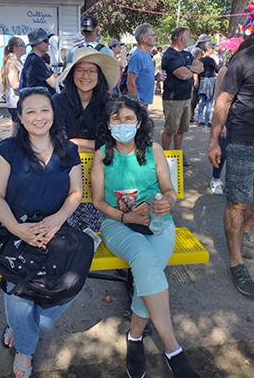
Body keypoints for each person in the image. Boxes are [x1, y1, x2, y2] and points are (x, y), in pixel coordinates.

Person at [91, 96, 201, 378]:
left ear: (139, 122)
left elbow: (168, 188)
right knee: (144, 259)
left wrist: (167, 201)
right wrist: (126, 217)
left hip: (158, 221)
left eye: (129, 118)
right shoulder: (102, 154)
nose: (123, 123)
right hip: (118, 224)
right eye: (116, 118)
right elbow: (98, 201)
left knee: (147, 270)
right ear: (108, 123)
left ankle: (135, 337)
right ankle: (173, 351)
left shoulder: (153, 150)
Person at [0, 87, 83, 378]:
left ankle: (25, 326)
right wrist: (18, 229)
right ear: (20, 116)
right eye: (30, 111)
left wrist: (56, 220)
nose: (39, 117)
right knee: (18, 288)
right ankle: (25, 350)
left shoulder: (68, 149)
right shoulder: (8, 150)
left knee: (71, 280)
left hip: (55, 228)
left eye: (45, 110)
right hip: (11, 229)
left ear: (53, 114)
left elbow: (76, 193)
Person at [208, 38, 254, 300]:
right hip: (244, 141)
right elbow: (224, 100)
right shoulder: (244, 59)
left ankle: (244, 231)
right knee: (238, 203)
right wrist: (213, 141)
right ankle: (236, 264)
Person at [53, 47, 119, 231]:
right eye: (80, 70)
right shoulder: (58, 102)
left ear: (99, 75)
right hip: (66, 178)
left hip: (104, 178)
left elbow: (115, 144)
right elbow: (58, 143)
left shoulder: (109, 103)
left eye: (92, 71)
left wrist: (75, 142)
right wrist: (97, 146)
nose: (85, 76)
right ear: (71, 73)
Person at [209, 37, 254, 195]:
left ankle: (237, 182)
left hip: (244, 117)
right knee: (222, 150)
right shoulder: (226, 69)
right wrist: (220, 123)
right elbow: (219, 97)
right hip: (227, 114)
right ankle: (215, 178)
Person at [161, 28, 203, 166]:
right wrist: (189, 69)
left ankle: (177, 155)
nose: (189, 39)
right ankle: (165, 156)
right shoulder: (169, 55)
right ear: (181, 39)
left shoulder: (186, 54)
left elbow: (200, 67)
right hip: (173, 98)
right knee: (170, 129)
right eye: (188, 37)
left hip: (186, 97)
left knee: (181, 130)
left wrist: (187, 68)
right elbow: (182, 74)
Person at [127, 24, 162, 106]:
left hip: (144, 102)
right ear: (144, 38)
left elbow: (141, 76)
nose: (155, 37)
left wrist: (155, 77)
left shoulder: (147, 55)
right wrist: (136, 104)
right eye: (152, 35)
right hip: (139, 103)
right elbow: (130, 82)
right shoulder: (137, 56)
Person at [1, 37, 26, 136]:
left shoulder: (19, 62)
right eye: (22, 45)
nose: (25, 48)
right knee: (17, 132)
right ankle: (11, 149)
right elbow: (14, 84)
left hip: (19, 101)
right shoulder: (12, 63)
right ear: (15, 48)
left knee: (18, 131)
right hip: (15, 102)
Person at [20, 28, 57, 95]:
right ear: (37, 43)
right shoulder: (35, 61)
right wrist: (59, 75)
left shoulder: (36, 59)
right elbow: (53, 83)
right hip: (39, 101)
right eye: (46, 41)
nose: (48, 44)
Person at [190, 33, 211, 123]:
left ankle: (190, 115)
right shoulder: (196, 51)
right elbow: (194, 66)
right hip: (195, 77)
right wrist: (196, 80)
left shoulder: (198, 50)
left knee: (196, 97)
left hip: (199, 77)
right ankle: (189, 116)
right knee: (193, 97)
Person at [197, 42, 218, 128]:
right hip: (210, 80)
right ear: (208, 49)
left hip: (202, 80)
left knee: (202, 101)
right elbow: (217, 69)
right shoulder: (210, 60)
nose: (213, 49)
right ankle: (206, 121)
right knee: (209, 101)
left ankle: (199, 120)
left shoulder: (200, 59)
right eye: (212, 48)